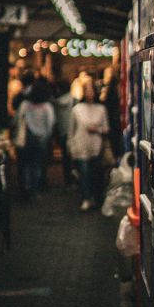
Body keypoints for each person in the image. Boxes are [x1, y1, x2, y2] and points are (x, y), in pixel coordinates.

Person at [67, 81, 109, 211]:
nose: (89, 93)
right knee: (84, 173)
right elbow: (71, 130)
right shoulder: (76, 110)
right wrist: (70, 147)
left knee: (95, 174)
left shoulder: (101, 109)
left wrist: (97, 129)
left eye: (91, 90)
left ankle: (95, 197)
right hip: (80, 145)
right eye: (87, 90)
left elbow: (106, 128)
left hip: (96, 147)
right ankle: (86, 198)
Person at [15, 79, 55, 200]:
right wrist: (47, 136)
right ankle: (35, 189)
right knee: (37, 165)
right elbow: (51, 122)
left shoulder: (25, 105)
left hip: (28, 138)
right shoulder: (47, 107)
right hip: (41, 139)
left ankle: (26, 188)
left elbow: (17, 119)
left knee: (26, 164)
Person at [53, 79, 75, 187]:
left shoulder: (55, 103)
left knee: (65, 159)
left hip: (62, 131)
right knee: (74, 157)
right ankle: (74, 178)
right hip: (73, 131)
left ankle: (67, 180)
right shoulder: (74, 101)